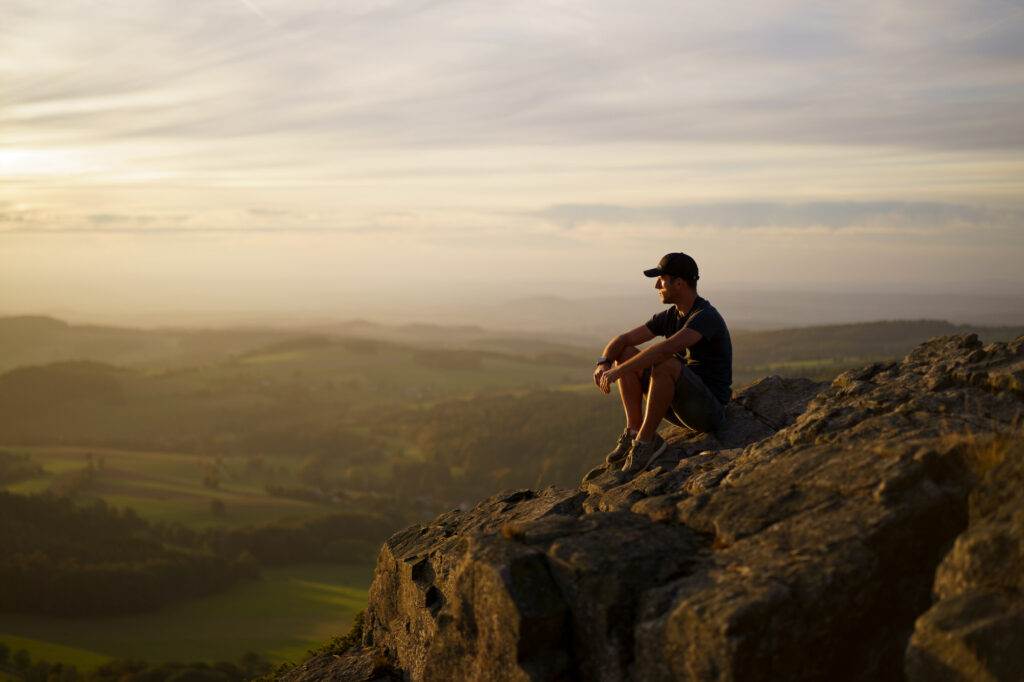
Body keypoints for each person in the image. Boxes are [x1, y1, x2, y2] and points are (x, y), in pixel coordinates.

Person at [593, 252, 732, 474]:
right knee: (626, 352)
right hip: (679, 404)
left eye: (662, 280)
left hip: (708, 412)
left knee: (665, 362)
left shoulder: (705, 316)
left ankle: (646, 443)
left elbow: (666, 349)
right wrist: (605, 362)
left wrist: (619, 372)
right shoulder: (671, 315)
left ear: (679, 283)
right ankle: (634, 431)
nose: (657, 285)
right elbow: (623, 340)